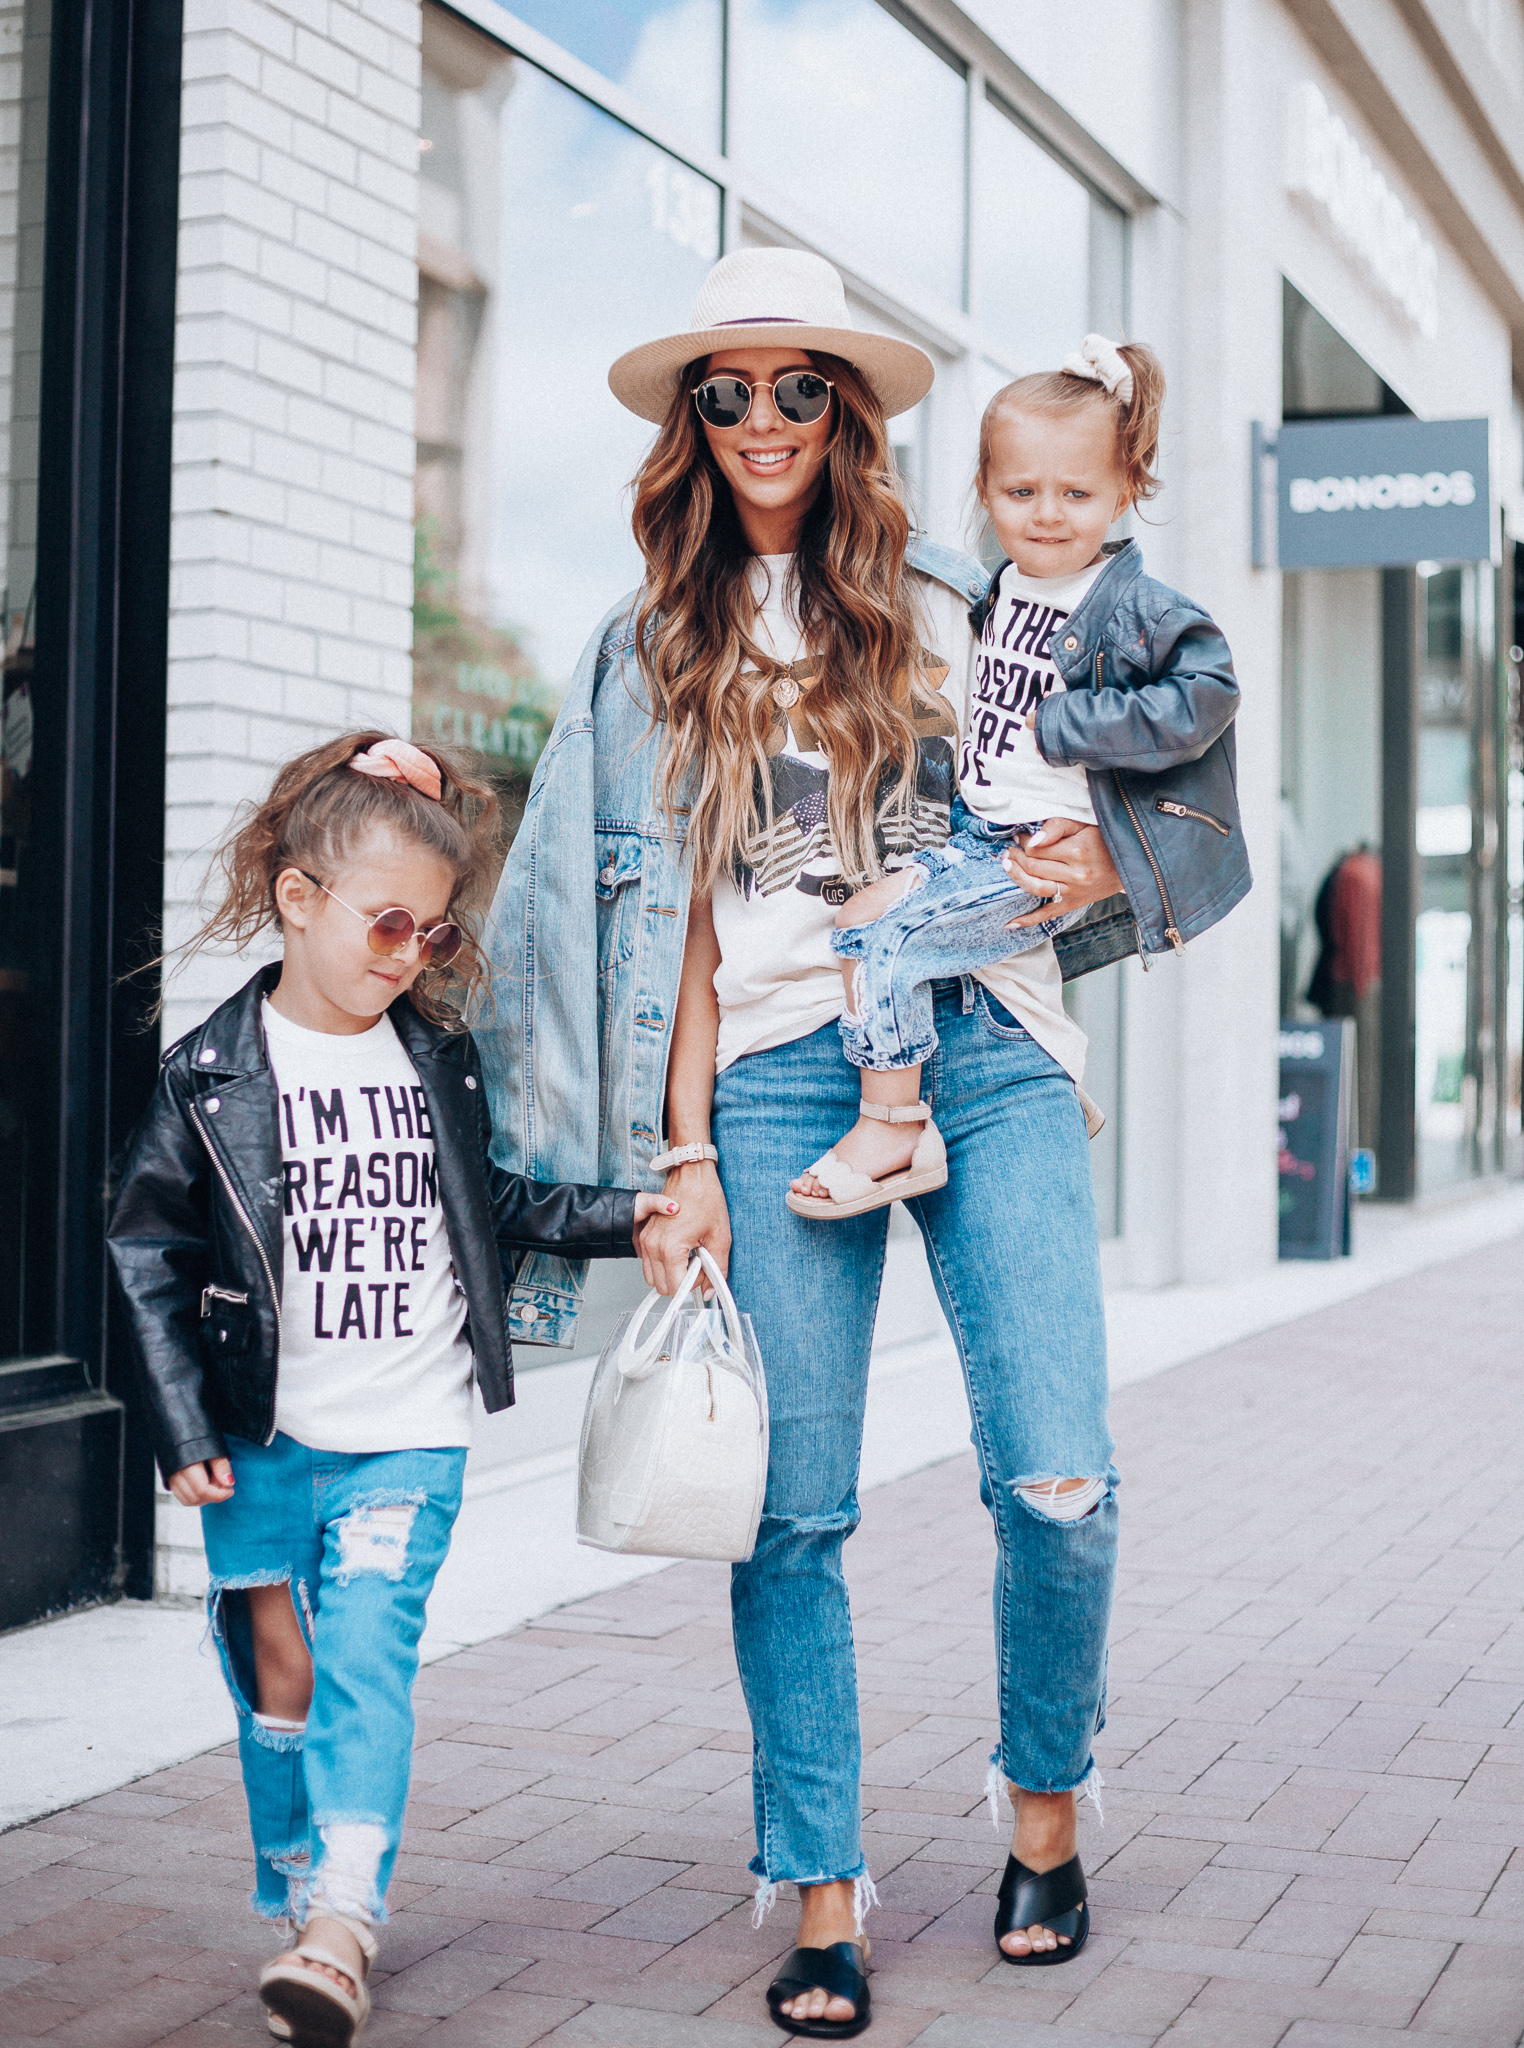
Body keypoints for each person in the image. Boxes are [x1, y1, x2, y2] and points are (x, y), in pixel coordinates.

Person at [479, 247, 1129, 2037]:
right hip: (767, 1074)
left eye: (792, 388)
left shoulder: (957, 599)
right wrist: (672, 1155)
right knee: (790, 1511)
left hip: (981, 1047)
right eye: (723, 391)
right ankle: (820, 1886)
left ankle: (1044, 1812)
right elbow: (662, 928)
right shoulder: (650, 650)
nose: (759, 420)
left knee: (1055, 1479)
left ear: (842, 411)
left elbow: (1091, 783)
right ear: (689, 423)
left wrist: (1092, 865)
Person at [107, 734, 674, 2048]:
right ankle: (304, 1878)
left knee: (365, 1659)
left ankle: (345, 1918)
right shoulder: (209, 1074)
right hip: (256, 1437)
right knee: (277, 1675)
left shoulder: (436, 1060)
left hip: (407, 1437)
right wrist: (181, 1423)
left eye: (430, 934)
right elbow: (146, 1249)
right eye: (385, 923)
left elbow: (499, 1204)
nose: (407, 954)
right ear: (299, 899)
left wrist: (632, 1210)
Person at [788, 333, 1250, 1217]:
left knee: (890, 946)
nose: (1047, 513)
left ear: (1126, 491)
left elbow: (1210, 693)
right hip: (974, 832)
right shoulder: (998, 591)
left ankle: (894, 1128)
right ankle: (1014, 1084)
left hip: (1030, 853)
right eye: (1021, 491)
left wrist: (1075, 724)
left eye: (1077, 493)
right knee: (856, 920)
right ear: (985, 493)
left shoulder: (1134, 607)